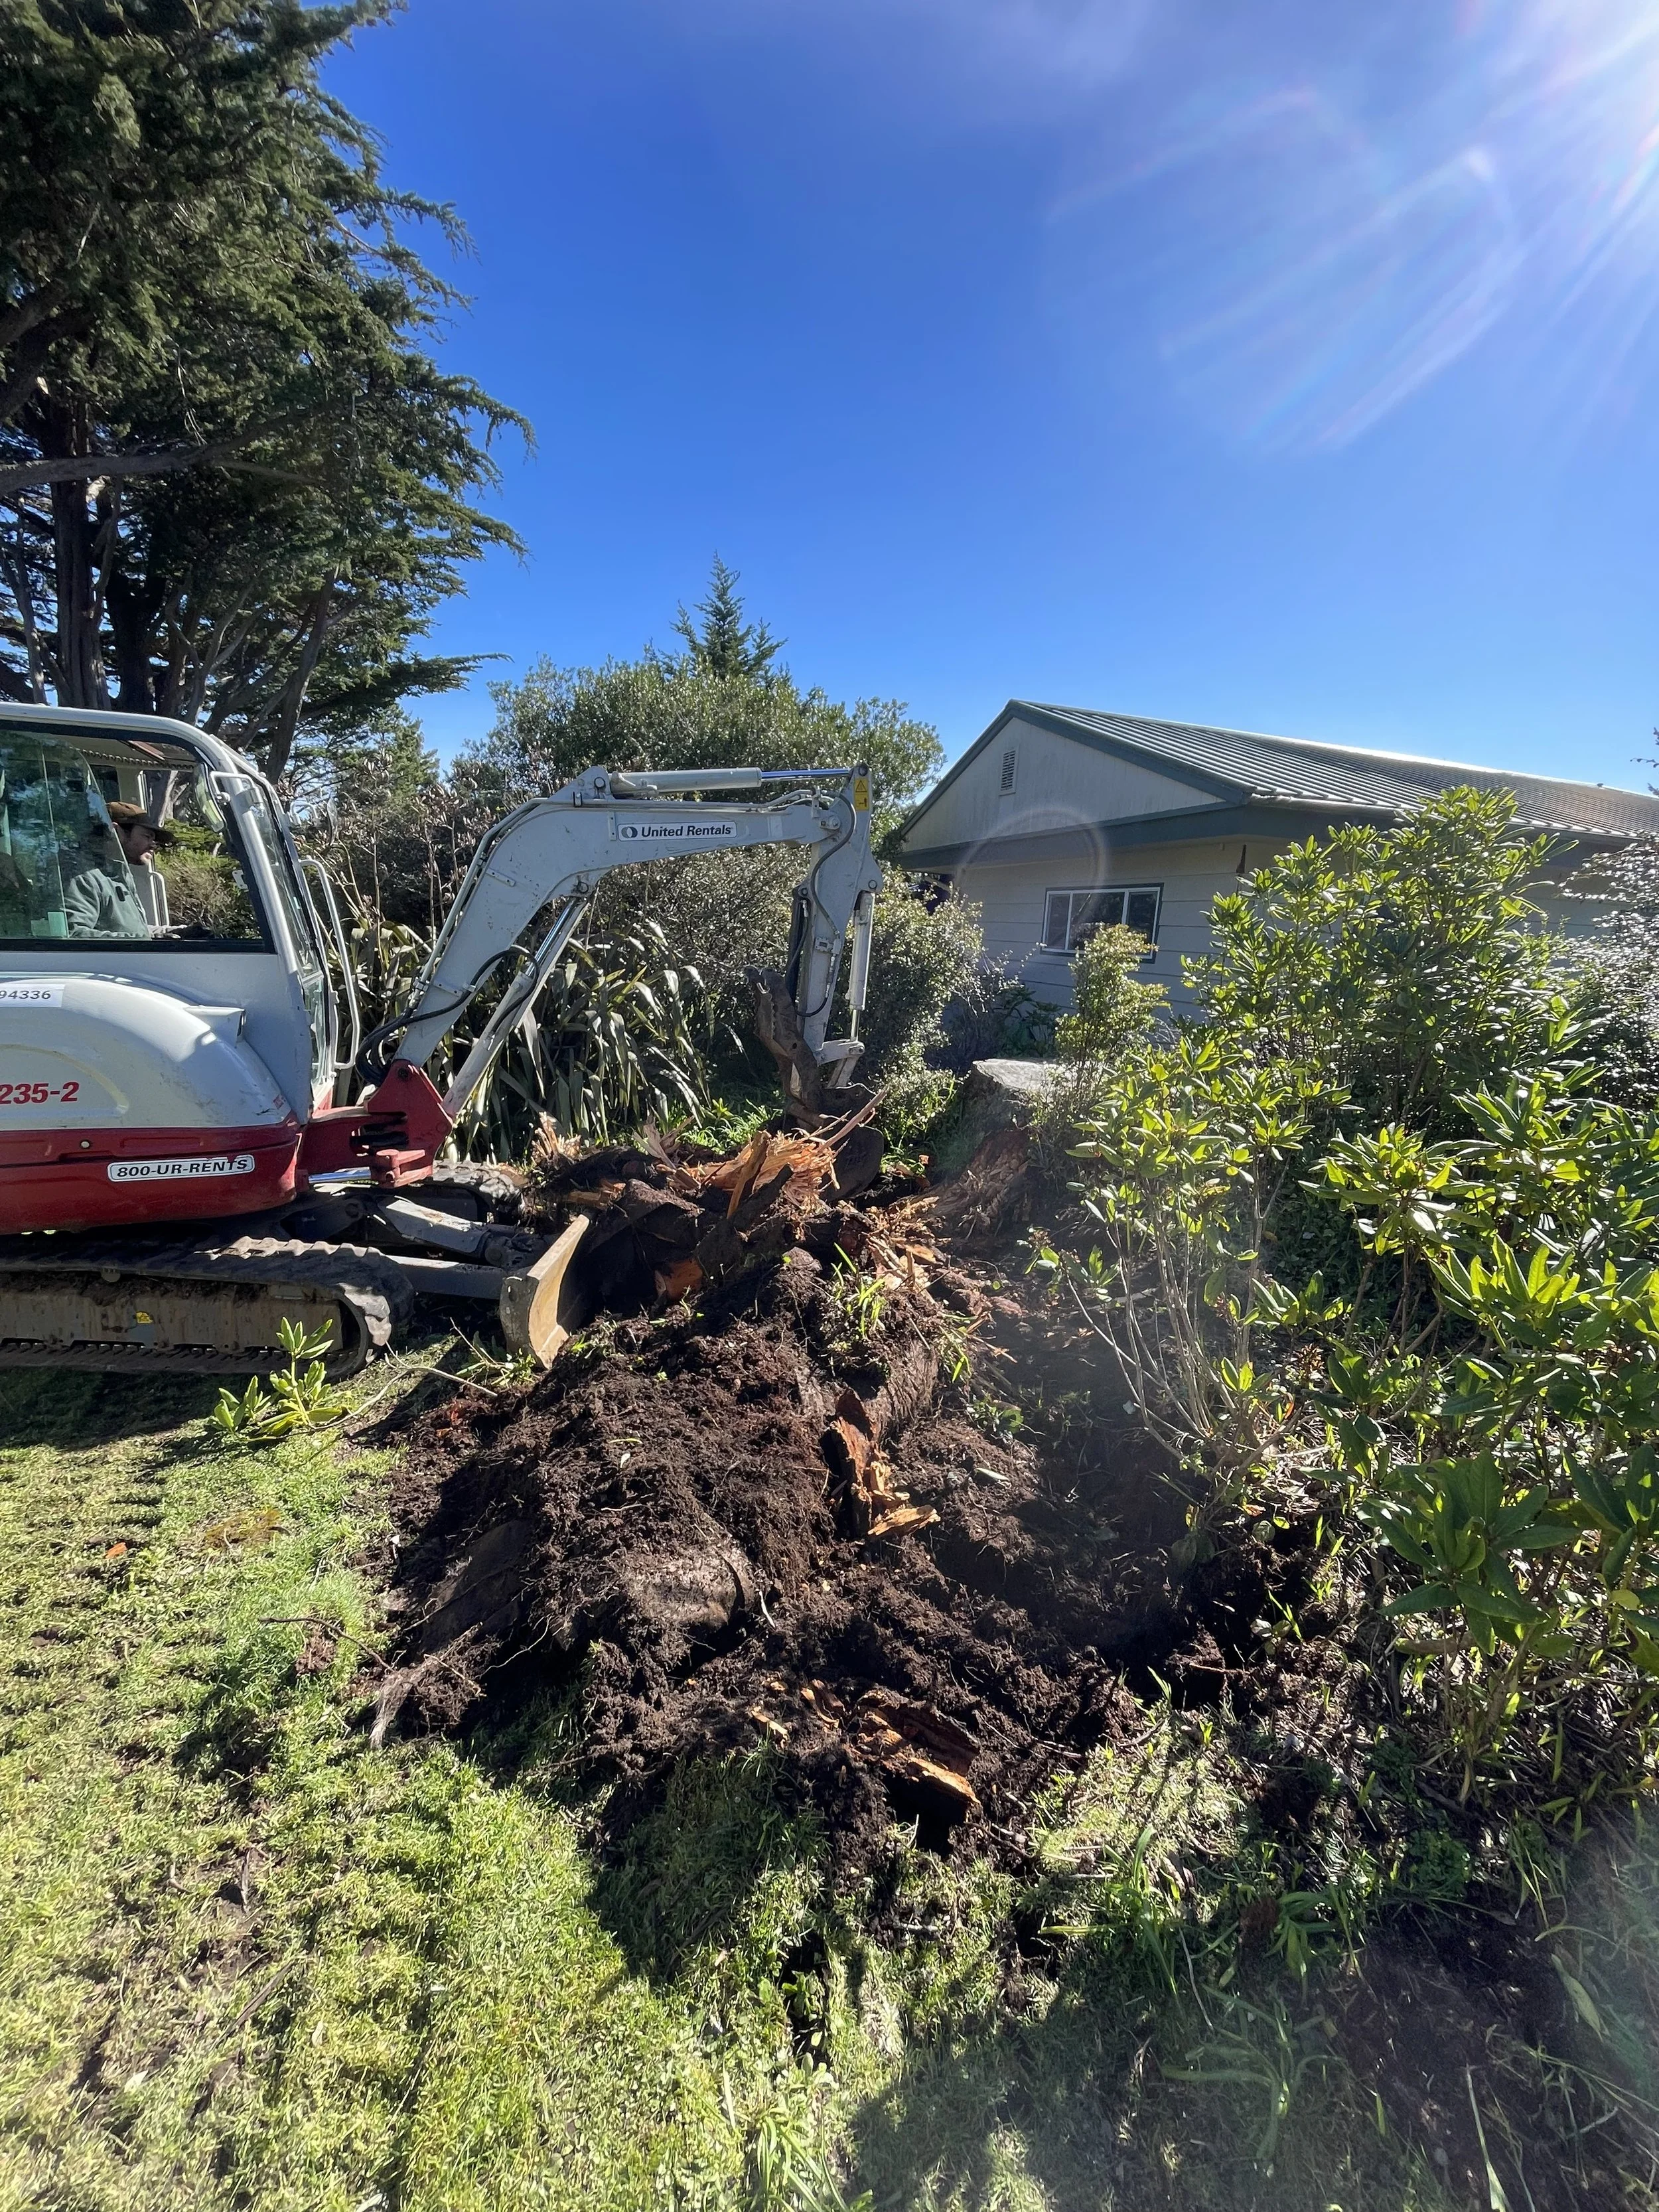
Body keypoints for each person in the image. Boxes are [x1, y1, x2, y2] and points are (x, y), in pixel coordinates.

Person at [62, 800, 158, 938]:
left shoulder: (118, 875)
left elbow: (135, 932)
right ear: (116, 832)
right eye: (147, 836)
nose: (153, 845)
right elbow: (74, 934)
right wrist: (140, 941)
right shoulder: (84, 877)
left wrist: (177, 932)